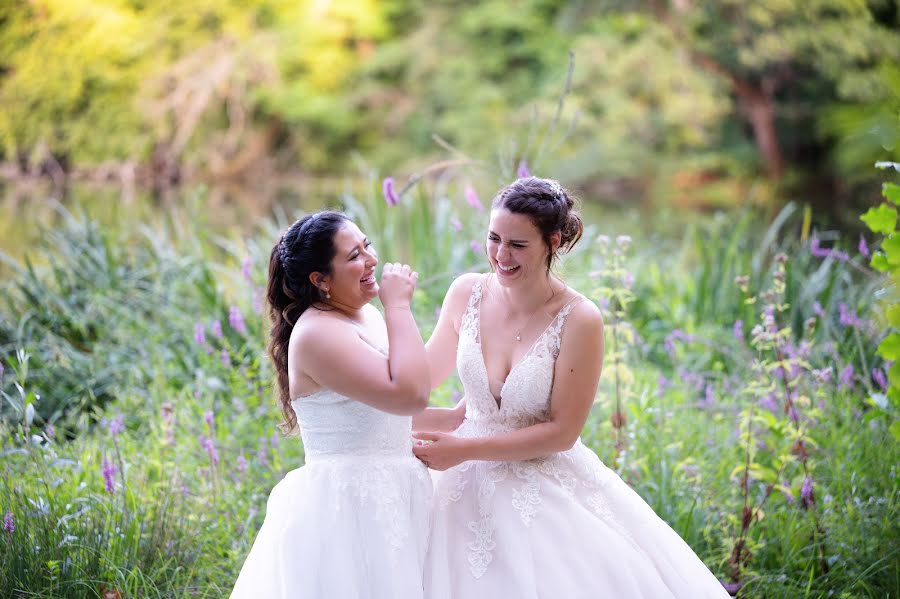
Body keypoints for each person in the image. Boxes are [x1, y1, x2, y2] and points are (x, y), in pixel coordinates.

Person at [412, 177, 730, 598]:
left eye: (517, 245)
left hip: (538, 476)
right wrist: (392, 320)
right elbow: (419, 384)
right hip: (458, 480)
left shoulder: (579, 318)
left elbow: (563, 433)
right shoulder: (465, 292)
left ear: (552, 242)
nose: (500, 255)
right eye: (493, 238)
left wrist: (462, 449)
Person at [231, 211, 433, 599]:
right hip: (351, 511)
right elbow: (411, 394)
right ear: (320, 280)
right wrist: (399, 308)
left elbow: (392, 406)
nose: (371, 260)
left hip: (396, 495)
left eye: (367, 246)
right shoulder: (318, 333)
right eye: (354, 255)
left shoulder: (362, 314)